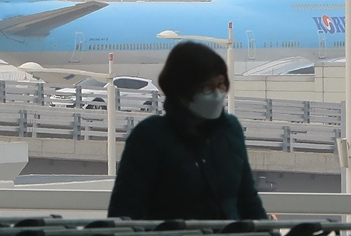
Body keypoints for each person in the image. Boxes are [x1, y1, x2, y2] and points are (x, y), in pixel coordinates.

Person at [108, 41, 267, 220]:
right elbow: (125, 210)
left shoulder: (231, 130)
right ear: (182, 90)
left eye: (221, 84)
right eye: (207, 87)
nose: (217, 93)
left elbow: (248, 200)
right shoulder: (150, 136)